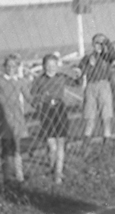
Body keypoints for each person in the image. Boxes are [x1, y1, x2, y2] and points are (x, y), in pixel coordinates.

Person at [31, 53, 76, 184]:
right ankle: (53, 168)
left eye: (53, 65)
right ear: (43, 66)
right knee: (52, 146)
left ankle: (58, 174)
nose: (51, 68)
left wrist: (79, 73)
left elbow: (76, 83)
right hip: (46, 110)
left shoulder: (61, 77)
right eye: (48, 65)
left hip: (60, 109)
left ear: (57, 65)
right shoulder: (39, 80)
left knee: (61, 142)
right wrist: (40, 99)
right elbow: (32, 94)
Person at [0, 53, 32, 184]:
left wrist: (40, 102)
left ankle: (19, 174)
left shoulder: (20, 81)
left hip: (17, 116)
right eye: (8, 66)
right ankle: (7, 176)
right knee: (6, 146)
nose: (10, 68)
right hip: (4, 116)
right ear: (4, 66)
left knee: (17, 146)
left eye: (13, 66)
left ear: (17, 67)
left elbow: (28, 97)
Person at [78, 33, 115, 153]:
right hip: (91, 86)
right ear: (92, 44)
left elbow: (113, 55)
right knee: (89, 117)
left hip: (104, 85)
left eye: (102, 43)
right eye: (97, 43)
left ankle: (106, 145)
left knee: (106, 117)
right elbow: (80, 73)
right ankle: (86, 146)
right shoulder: (87, 58)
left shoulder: (107, 56)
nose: (99, 45)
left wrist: (107, 42)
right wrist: (89, 66)